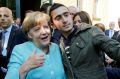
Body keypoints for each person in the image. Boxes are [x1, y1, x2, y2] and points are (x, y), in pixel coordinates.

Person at [49, 3, 120, 79]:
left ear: (71, 16)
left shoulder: (90, 32)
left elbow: (115, 49)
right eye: (58, 18)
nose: (64, 20)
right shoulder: (58, 43)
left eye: (66, 15)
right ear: (52, 25)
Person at [5, 11, 66, 79]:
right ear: (29, 35)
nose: (44, 32)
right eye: (37, 29)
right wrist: (25, 67)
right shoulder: (19, 50)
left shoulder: (56, 47)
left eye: (46, 27)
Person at [0, 7, 28, 79]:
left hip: (16, 73)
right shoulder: (0, 33)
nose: (2, 18)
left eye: (6, 16)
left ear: (12, 18)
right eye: (0, 16)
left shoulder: (20, 32)